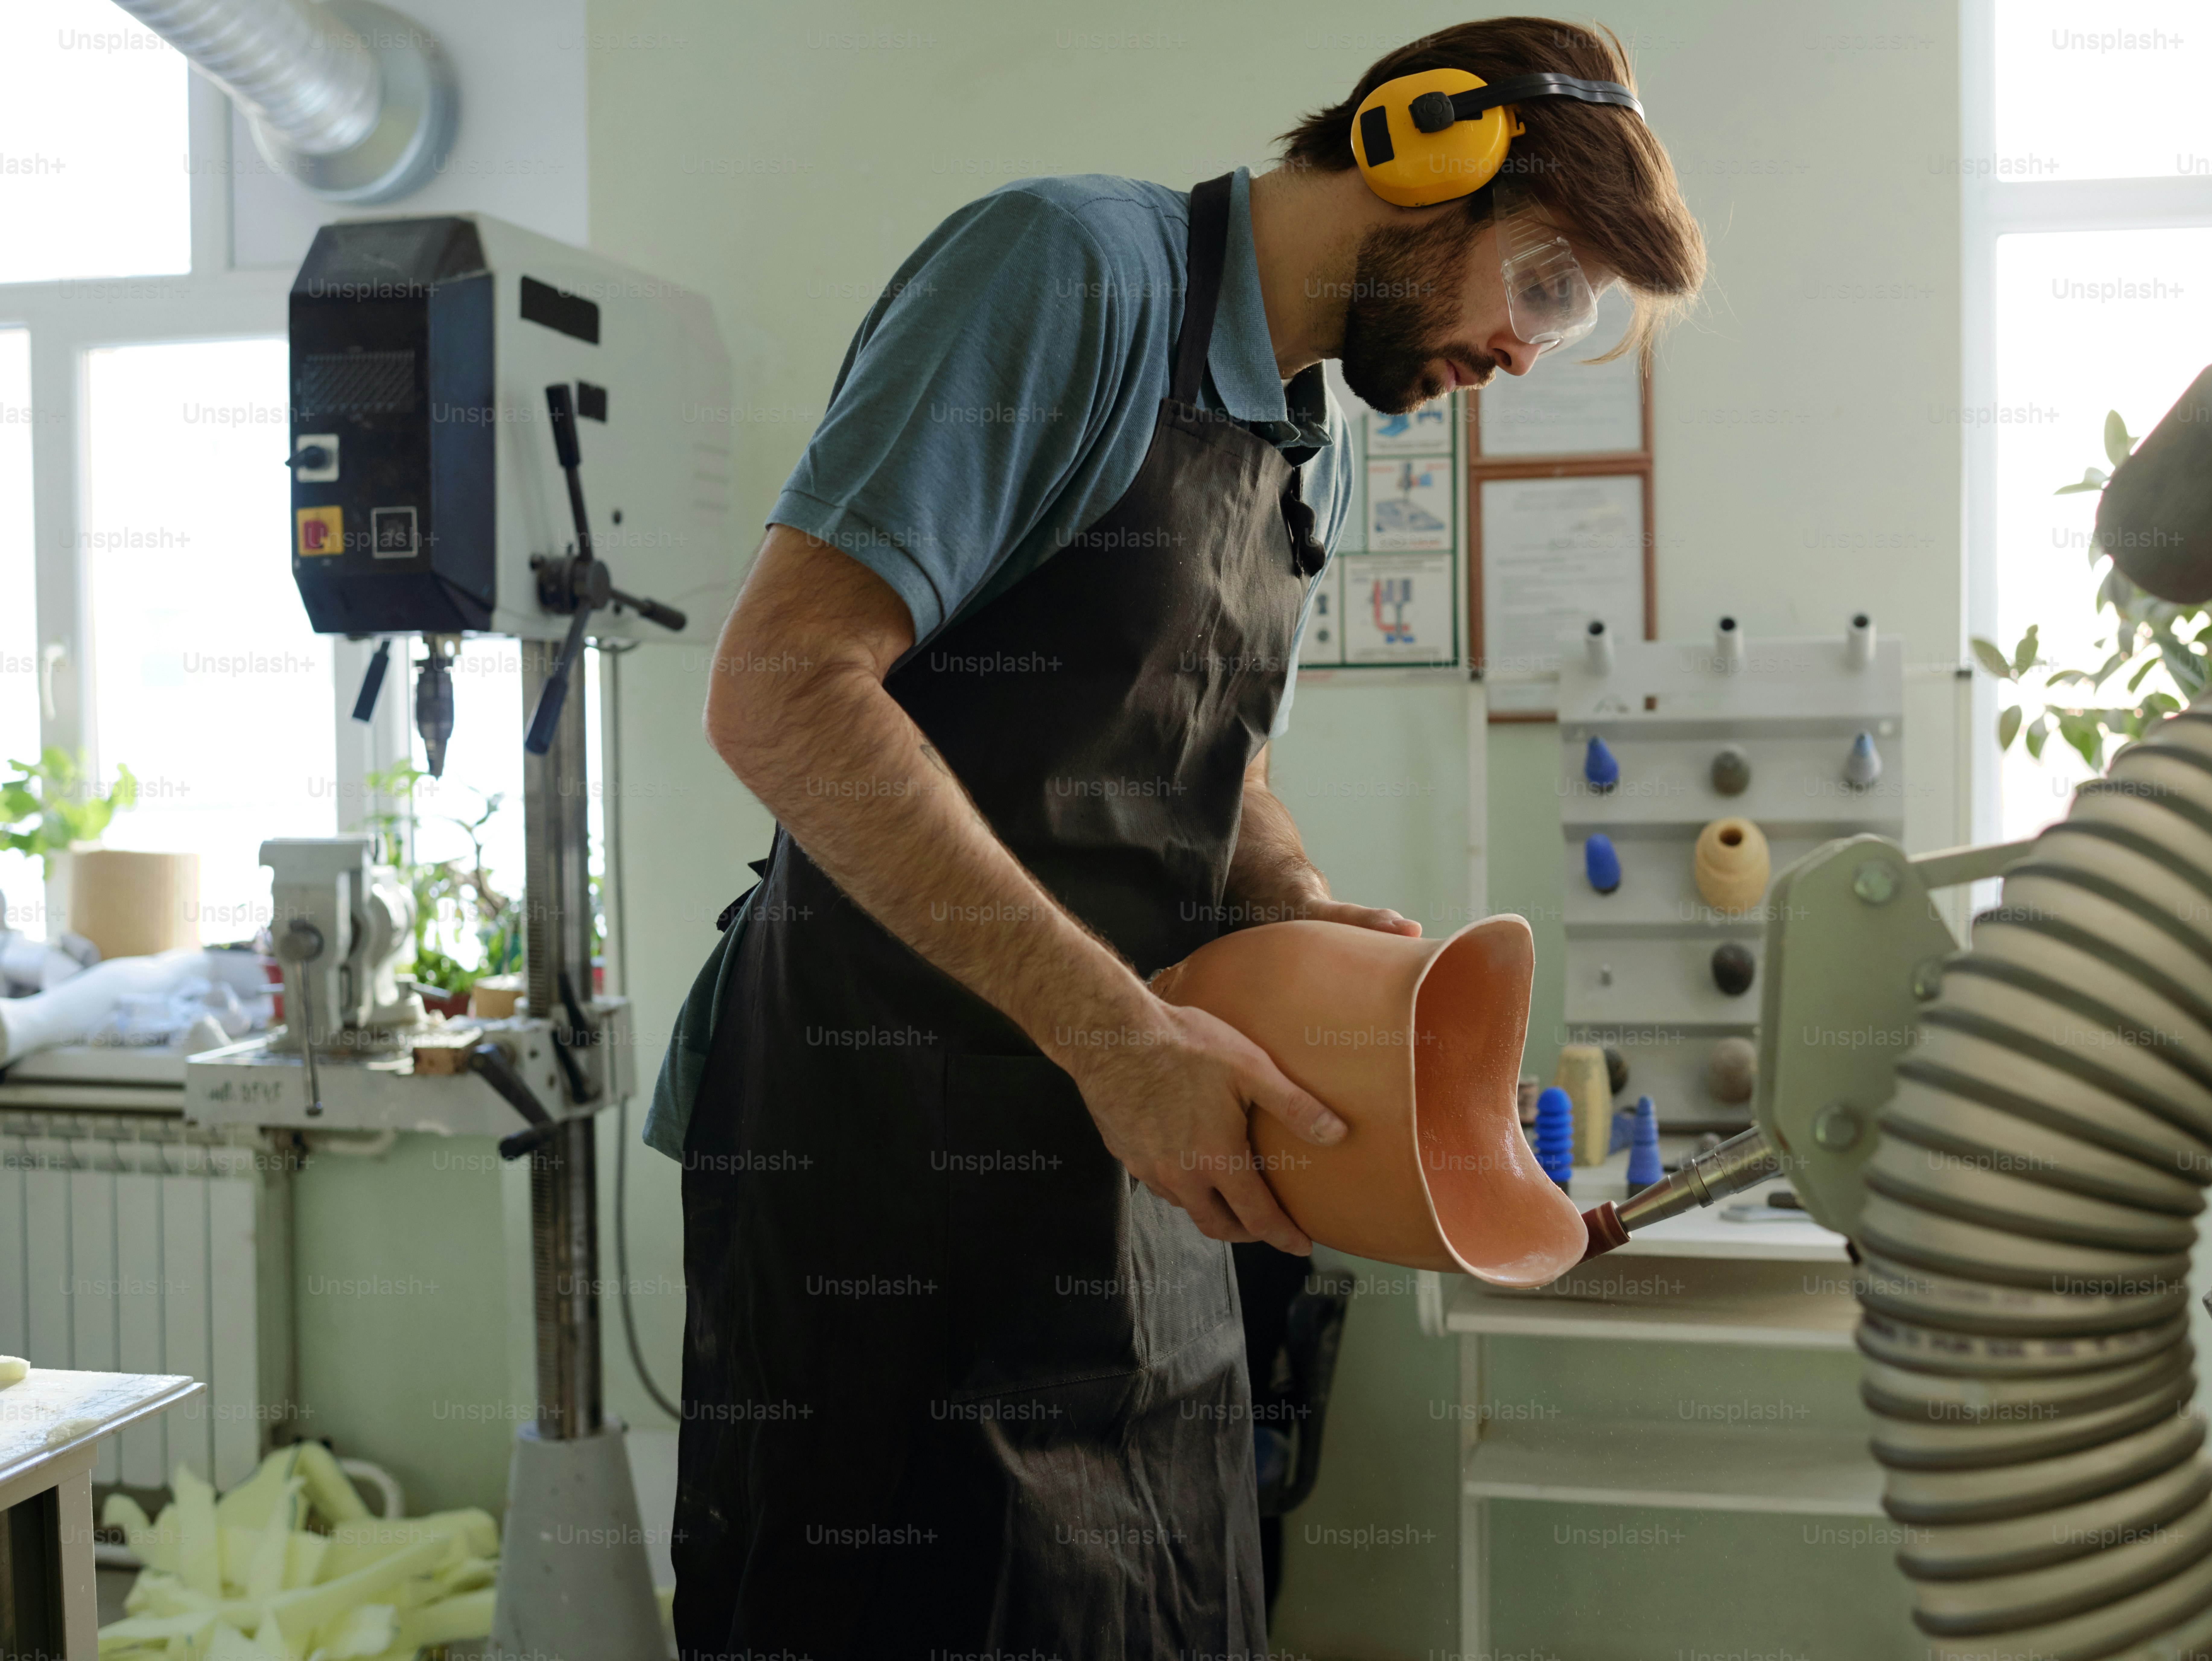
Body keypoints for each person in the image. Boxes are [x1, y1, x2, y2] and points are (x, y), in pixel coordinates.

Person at [649, 17, 1704, 1656]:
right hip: (885, 1154)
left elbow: (1203, 752)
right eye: (1549, 286)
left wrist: (1292, 897)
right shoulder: (1070, 273)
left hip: (1137, 1154)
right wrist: (1111, 1030)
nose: (1524, 353)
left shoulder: (1307, 438)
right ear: (1417, 150)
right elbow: (783, 692)